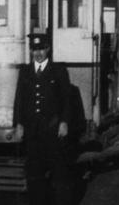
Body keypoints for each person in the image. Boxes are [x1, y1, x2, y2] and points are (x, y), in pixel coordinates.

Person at [13, 33, 75, 205]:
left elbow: (66, 99)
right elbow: (19, 99)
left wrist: (64, 122)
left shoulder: (59, 71)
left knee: (59, 172)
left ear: (48, 49)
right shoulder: (25, 71)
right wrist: (18, 123)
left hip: (53, 129)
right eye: (34, 49)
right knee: (34, 173)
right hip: (32, 131)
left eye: (41, 49)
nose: (38, 53)